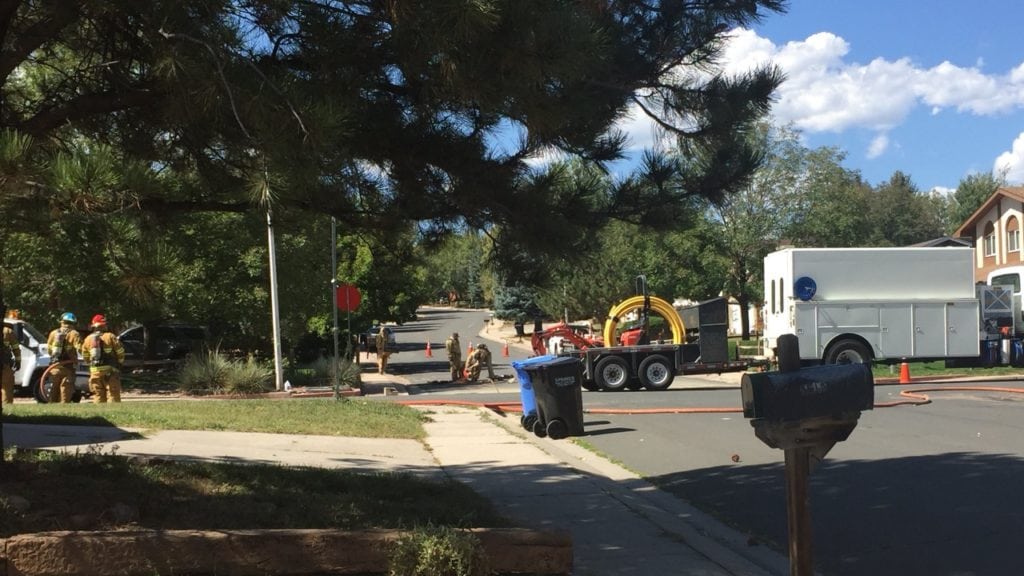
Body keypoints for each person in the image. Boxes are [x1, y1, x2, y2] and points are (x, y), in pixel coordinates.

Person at [80, 314, 125, 403]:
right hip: (109, 371)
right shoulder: (110, 336)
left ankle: (99, 413)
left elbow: (85, 356)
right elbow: (120, 352)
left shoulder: (88, 339)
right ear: (103, 325)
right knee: (112, 394)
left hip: (95, 372)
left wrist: (91, 365)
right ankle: (114, 413)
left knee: (98, 395)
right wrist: (119, 363)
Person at [46, 312, 82, 403]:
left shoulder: (53, 333)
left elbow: (49, 350)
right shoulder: (74, 334)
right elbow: (80, 348)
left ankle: (52, 407)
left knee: (54, 387)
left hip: (55, 366)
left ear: (61, 321)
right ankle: (64, 406)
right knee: (66, 388)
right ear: (73, 322)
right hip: (68, 367)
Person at [1, 321, 20, 404]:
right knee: (7, 387)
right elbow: (16, 348)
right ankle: (7, 406)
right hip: (4, 364)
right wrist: (18, 361)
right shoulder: (7, 331)